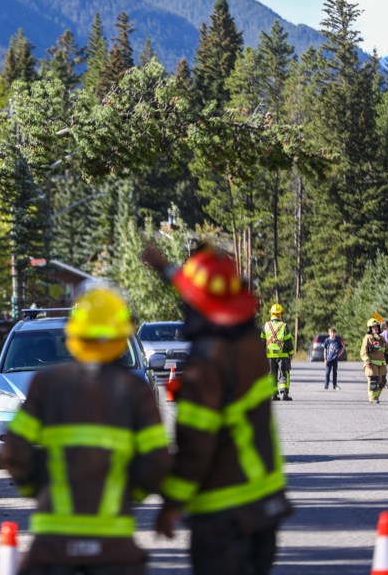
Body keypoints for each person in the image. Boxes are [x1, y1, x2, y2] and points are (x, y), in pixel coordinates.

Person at [1, 285, 170, 575]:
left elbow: (13, 452)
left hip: (52, 546)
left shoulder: (47, 384)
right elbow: (157, 463)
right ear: (120, 335)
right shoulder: (135, 391)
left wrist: (38, 488)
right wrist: (132, 493)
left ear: (74, 335)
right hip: (114, 549)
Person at [143, 245, 291, 575]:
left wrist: (171, 505)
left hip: (224, 517)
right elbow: (208, 295)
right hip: (264, 508)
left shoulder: (206, 367)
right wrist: (166, 268)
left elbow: (195, 449)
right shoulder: (250, 342)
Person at [261, 303, 294, 401]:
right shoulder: (284, 326)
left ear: (271, 313)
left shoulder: (266, 326)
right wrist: (291, 353)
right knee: (284, 373)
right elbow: (288, 341)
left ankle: (273, 394)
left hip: (269, 355)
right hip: (282, 354)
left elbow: (262, 341)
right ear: (280, 314)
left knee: (271, 374)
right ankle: (284, 393)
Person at [361, 318, 388, 404]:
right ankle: (372, 397)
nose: (375, 329)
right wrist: (367, 361)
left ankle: (376, 396)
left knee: (382, 382)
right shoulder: (368, 338)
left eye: (376, 327)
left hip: (381, 364)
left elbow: (387, 348)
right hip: (372, 364)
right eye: (373, 327)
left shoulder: (381, 338)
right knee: (373, 381)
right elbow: (363, 352)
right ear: (370, 328)